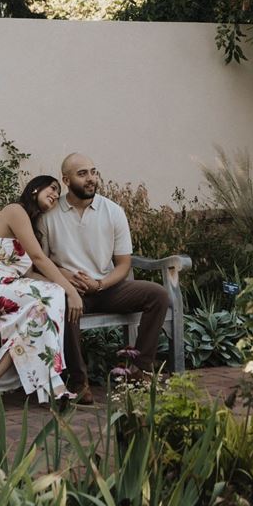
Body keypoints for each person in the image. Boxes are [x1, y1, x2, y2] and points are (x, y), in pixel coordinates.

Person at [41, 153, 170, 392]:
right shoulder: (49, 215)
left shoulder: (113, 211)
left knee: (158, 295)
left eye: (93, 172)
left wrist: (100, 284)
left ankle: (139, 369)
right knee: (63, 304)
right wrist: (69, 280)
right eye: (82, 174)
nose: (90, 178)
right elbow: (42, 262)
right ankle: (79, 382)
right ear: (66, 180)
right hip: (71, 290)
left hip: (107, 287)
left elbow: (123, 264)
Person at [0, 174, 82, 413]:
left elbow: (29, 274)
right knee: (53, 294)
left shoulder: (29, 225)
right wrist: (70, 292)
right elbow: (39, 258)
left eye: (57, 192)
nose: (54, 194)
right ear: (34, 189)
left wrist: (66, 282)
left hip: (11, 290)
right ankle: (52, 381)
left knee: (38, 316)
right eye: (51, 188)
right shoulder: (15, 211)